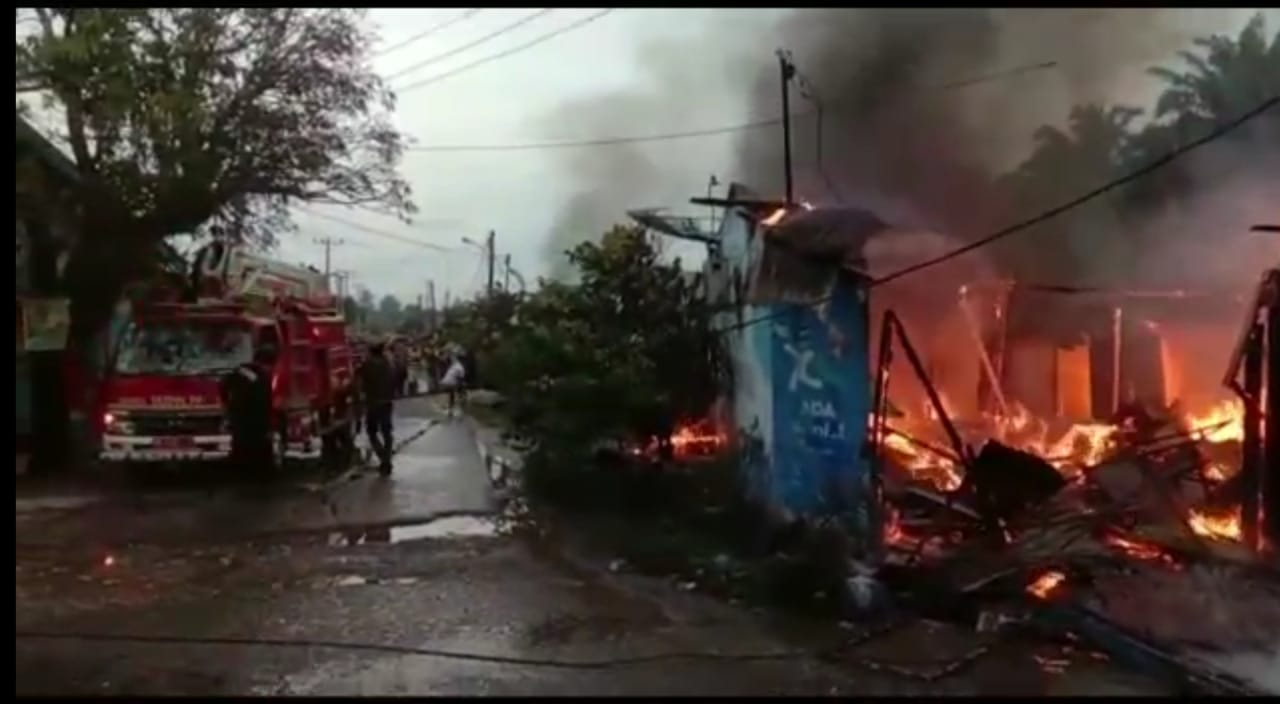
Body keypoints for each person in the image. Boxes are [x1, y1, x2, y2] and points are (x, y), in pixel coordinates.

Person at [220, 340, 278, 476]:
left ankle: (241, 473)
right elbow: (265, 403)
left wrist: (228, 404)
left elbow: (223, 386)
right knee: (258, 456)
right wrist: (268, 426)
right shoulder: (262, 377)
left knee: (239, 450)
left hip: (238, 420)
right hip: (255, 424)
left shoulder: (238, 371)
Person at [358, 340, 397, 475]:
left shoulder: (367, 365)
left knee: (372, 432)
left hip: (373, 403)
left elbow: (360, 383)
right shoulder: (388, 364)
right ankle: (386, 460)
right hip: (387, 402)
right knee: (387, 432)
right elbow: (394, 379)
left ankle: (383, 458)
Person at [441, 354, 467, 418]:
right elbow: (460, 379)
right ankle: (454, 407)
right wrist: (461, 388)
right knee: (454, 394)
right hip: (450, 382)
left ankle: (451, 408)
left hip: (445, 381)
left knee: (452, 394)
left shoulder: (456, 364)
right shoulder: (460, 367)